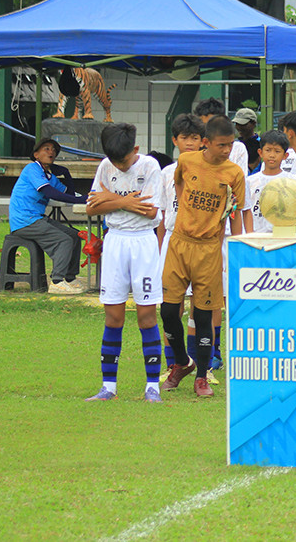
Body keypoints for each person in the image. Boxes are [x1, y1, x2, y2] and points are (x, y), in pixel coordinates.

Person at [160, 115, 245, 398]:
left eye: (230, 145)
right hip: (180, 243)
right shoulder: (187, 162)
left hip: (209, 249)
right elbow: (181, 187)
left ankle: (201, 376)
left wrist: (237, 248)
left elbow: (235, 213)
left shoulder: (234, 173)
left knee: (204, 314)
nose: (226, 150)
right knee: (169, 311)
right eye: (221, 145)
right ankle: (183, 362)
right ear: (206, 143)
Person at [84, 124, 164, 403]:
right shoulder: (106, 166)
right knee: (113, 316)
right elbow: (92, 207)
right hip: (115, 241)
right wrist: (127, 202)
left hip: (143, 242)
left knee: (146, 315)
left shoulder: (150, 166)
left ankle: (152, 386)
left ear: (136, 151)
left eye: (124, 161)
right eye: (115, 162)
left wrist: (113, 199)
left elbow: (151, 209)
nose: (119, 166)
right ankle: (109, 387)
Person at [193, 98, 251, 371]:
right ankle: (197, 352)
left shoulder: (237, 153)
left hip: (224, 234)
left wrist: (239, 239)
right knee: (199, 295)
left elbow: (238, 203)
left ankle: (216, 350)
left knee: (221, 295)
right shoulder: (189, 160)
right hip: (197, 236)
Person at [155, 114, 205, 374]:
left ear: (202, 141)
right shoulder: (165, 173)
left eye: (194, 138)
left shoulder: (211, 171)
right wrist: (160, 249)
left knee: (200, 307)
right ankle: (173, 363)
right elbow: (162, 215)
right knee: (171, 308)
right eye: (184, 138)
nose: (189, 143)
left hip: (202, 243)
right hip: (173, 241)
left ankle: (200, 366)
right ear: (175, 140)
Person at [8, 138, 87, 295]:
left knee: (74, 235)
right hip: (24, 221)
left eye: (54, 150)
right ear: (36, 154)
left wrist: (66, 173)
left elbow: (69, 194)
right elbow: (50, 192)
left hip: (37, 218)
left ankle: (69, 278)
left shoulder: (49, 177)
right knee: (63, 240)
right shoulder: (32, 169)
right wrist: (80, 200)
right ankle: (57, 281)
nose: (51, 152)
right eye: (46, 149)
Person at [246, 130, 295, 233]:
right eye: (268, 150)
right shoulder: (250, 181)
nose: (272, 155)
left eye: (277, 151)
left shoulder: (292, 181)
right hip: (256, 235)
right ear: (260, 152)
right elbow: (247, 211)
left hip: (282, 236)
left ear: (285, 156)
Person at [232, 108, 262, 174]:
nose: (239, 127)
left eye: (243, 124)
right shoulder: (235, 145)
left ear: (254, 123)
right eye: (237, 124)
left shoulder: (262, 144)